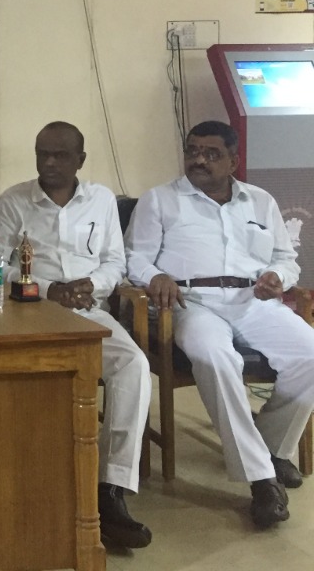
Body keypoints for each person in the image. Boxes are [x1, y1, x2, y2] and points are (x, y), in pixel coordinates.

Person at [127, 119, 314, 529]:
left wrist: (278, 277)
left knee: (311, 354)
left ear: (233, 160)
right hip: (192, 302)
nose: (199, 160)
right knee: (215, 356)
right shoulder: (160, 200)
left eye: (211, 154)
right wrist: (155, 276)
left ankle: (271, 448)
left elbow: (286, 258)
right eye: (193, 151)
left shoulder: (260, 200)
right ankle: (261, 479)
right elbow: (134, 257)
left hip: (254, 300)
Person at [0, 121, 152, 548]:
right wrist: (48, 290)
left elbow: (115, 262)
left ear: (80, 159)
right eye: (42, 153)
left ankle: (111, 490)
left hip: (88, 309)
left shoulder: (101, 200)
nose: (49, 162)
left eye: (60, 155)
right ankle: (29, 483)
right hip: (29, 313)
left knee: (133, 365)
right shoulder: (14, 201)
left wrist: (89, 286)